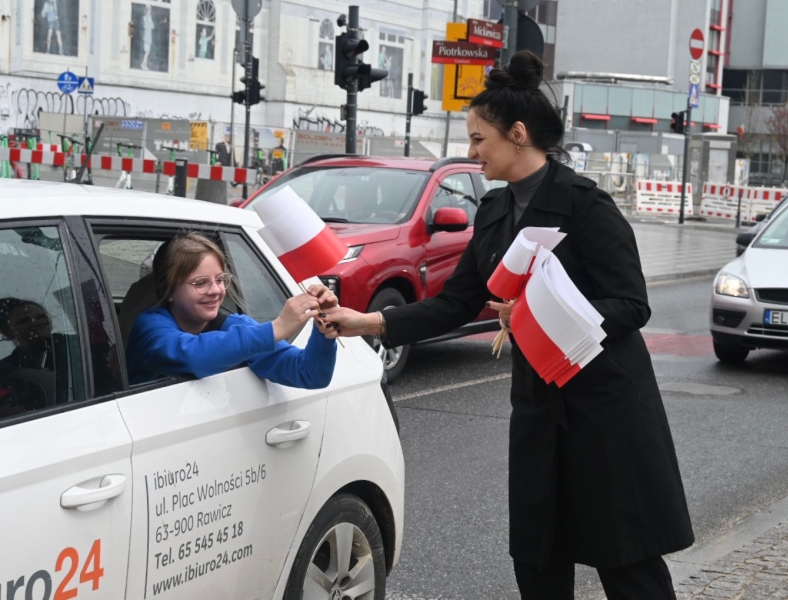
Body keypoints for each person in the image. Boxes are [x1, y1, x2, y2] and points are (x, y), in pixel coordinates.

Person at [322, 51, 694, 599]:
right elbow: (456, 304)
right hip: (538, 410)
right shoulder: (494, 212)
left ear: (517, 135)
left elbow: (631, 305)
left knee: (627, 562)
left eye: (480, 139)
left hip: (606, 412)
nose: (472, 152)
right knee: (538, 561)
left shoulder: (588, 207)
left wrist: (541, 315)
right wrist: (367, 321)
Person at [126, 233, 337, 388]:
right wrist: (276, 329)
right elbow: (191, 355)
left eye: (220, 279)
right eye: (200, 283)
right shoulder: (150, 326)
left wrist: (324, 329)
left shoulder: (237, 327)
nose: (215, 291)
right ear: (169, 290)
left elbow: (309, 374)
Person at [0, 298, 67, 415]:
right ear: (7, 331)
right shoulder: (4, 370)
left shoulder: (76, 346)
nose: (34, 322)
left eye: (41, 317)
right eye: (24, 321)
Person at [141, 4, 154, 70]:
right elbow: (146, 27)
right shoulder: (145, 18)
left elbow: (152, 26)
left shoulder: (150, 17)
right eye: (148, 10)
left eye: (150, 10)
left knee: (147, 52)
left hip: (149, 36)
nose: (149, 11)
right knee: (147, 52)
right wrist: (149, 25)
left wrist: (150, 24)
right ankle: (143, 64)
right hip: (146, 36)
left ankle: (144, 64)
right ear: (146, 10)